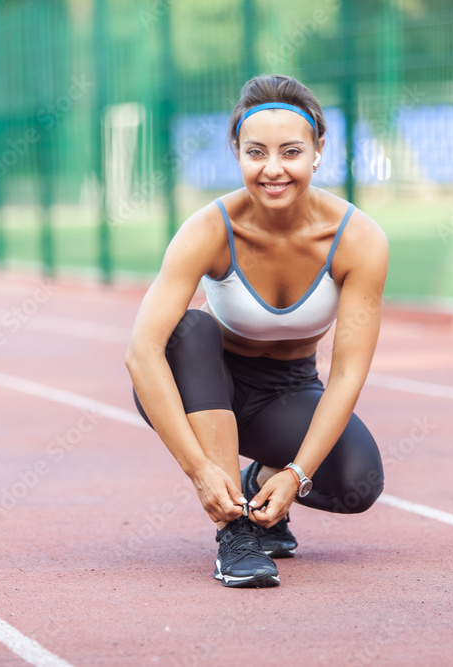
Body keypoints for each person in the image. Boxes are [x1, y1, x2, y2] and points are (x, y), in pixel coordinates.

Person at [125, 74, 388, 588]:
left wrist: (295, 474)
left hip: (286, 392)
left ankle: (261, 478)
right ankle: (235, 532)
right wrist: (199, 470)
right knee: (189, 328)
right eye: (256, 152)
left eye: (290, 151)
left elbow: (347, 374)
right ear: (237, 152)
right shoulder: (209, 229)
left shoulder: (359, 239)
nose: (273, 169)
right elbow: (143, 352)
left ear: (318, 151)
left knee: (360, 482)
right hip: (200, 383)